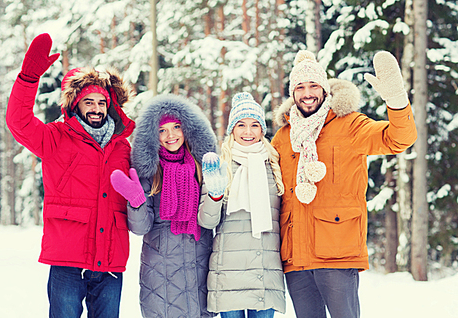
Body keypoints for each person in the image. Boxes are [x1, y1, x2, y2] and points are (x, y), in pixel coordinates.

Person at [271, 50, 417, 318]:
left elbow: (399, 139)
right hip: (295, 255)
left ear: (325, 88)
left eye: (314, 85)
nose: (307, 93)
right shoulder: (283, 136)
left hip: (336, 250)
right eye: (300, 87)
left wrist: (396, 101)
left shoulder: (350, 124)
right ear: (292, 93)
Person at [6, 33, 135, 318]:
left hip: (110, 263)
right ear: (75, 105)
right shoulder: (55, 137)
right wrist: (28, 79)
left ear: (109, 107)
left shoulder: (123, 147)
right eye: (89, 102)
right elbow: (19, 122)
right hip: (68, 260)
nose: (96, 109)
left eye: (101, 103)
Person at [110, 94, 218, 318]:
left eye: (176, 126)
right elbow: (141, 228)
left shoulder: (202, 167)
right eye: (162, 130)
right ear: (153, 135)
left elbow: (211, 217)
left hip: (201, 265)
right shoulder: (149, 173)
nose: (171, 135)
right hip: (161, 273)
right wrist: (136, 202)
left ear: (188, 128)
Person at [197, 92, 287, 318]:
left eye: (254, 125)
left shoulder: (274, 164)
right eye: (241, 125)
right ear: (232, 130)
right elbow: (206, 221)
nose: (248, 132)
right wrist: (215, 195)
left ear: (262, 129)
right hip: (229, 272)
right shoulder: (220, 165)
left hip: (265, 271)